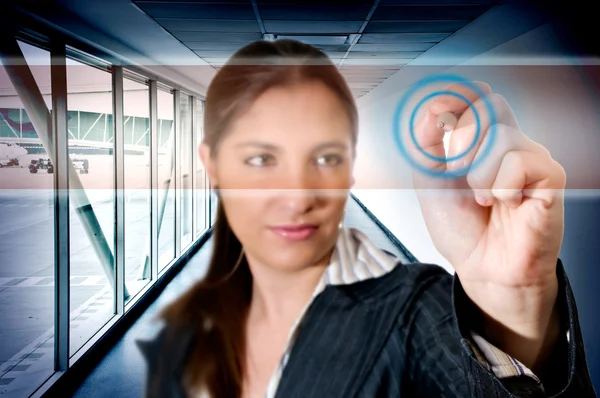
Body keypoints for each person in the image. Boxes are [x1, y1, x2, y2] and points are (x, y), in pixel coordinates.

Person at [137, 39, 596, 397]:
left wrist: (512, 300)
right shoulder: (185, 332)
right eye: (261, 159)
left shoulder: (419, 310)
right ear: (212, 164)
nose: (299, 196)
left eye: (325, 157)